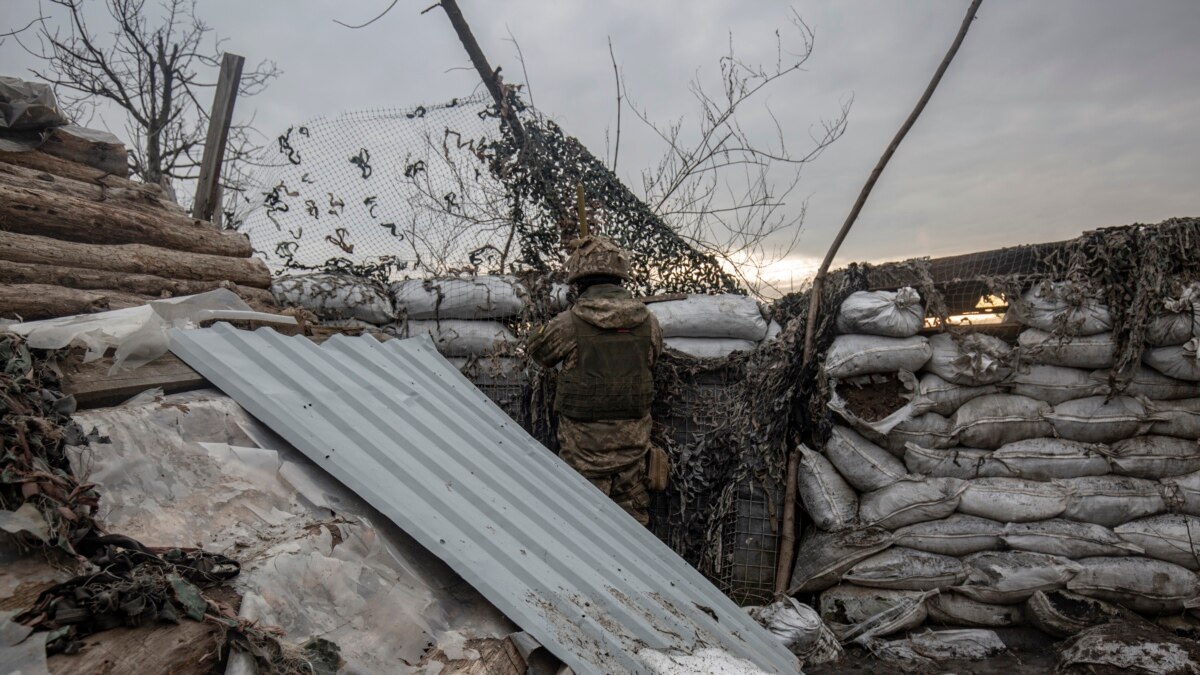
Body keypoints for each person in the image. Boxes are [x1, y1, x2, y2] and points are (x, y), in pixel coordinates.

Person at [527, 236, 663, 526]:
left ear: (578, 282)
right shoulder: (650, 324)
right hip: (632, 461)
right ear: (621, 277)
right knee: (633, 544)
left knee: (580, 541)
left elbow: (538, 353)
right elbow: (653, 360)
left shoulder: (568, 324)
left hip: (582, 462)